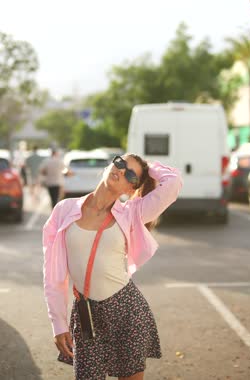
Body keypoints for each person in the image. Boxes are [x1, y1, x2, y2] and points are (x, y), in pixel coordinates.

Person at [43, 154, 183, 380]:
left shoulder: (132, 213)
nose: (121, 170)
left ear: (131, 187)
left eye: (130, 174)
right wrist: (58, 323)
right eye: (120, 163)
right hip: (86, 313)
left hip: (126, 310)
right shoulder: (64, 210)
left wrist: (149, 167)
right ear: (110, 164)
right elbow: (52, 274)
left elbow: (174, 182)